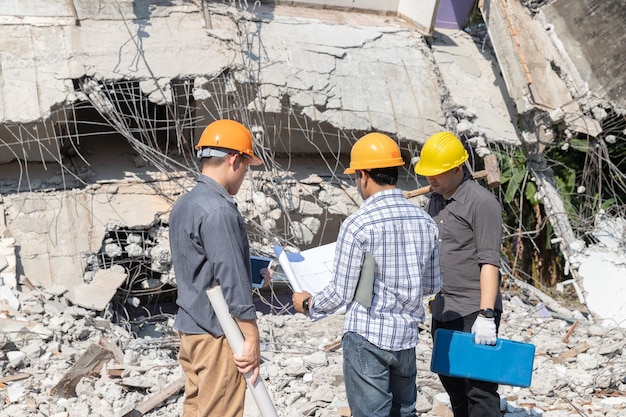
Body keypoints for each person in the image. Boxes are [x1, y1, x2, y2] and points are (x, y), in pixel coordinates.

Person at [292, 132, 442, 417]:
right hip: (407, 337)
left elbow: (340, 292)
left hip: (368, 335)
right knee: (405, 413)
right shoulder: (425, 221)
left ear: (363, 175)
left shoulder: (358, 224)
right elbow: (431, 285)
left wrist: (309, 304)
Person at [169, 119, 272, 417]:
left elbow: (201, 262)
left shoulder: (186, 204)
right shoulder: (219, 210)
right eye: (247, 165)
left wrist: (251, 272)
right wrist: (251, 338)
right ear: (234, 160)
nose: (244, 175)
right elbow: (230, 280)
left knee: (196, 408)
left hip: (191, 328)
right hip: (218, 333)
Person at [413, 131, 503, 417]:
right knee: (452, 382)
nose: (430, 180)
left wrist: (486, 315)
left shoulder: (482, 204)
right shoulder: (436, 200)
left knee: (479, 390)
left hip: (472, 310)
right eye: (428, 174)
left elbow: (489, 261)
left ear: (457, 168)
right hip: (444, 307)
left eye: (437, 174)